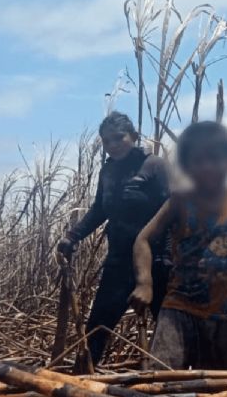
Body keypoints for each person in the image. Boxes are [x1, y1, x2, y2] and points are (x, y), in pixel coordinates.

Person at [129, 121, 227, 370]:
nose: (207, 166)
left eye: (215, 159)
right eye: (198, 161)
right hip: (180, 309)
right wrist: (144, 283)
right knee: (160, 381)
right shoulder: (180, 200)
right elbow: (143, 239)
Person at [56, 112, 170, 369]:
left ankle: (177, 382)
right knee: (98, 326)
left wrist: (170, 259)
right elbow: (100, 210)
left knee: (168, 328)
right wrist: (73, 236)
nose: (113, 145)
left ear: (134, 136)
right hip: (119, 260)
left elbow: (174, 211)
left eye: (119, 138)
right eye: (107, 141)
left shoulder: (155, 166)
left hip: (157, 262)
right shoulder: (107, 171)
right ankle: (82, 379)